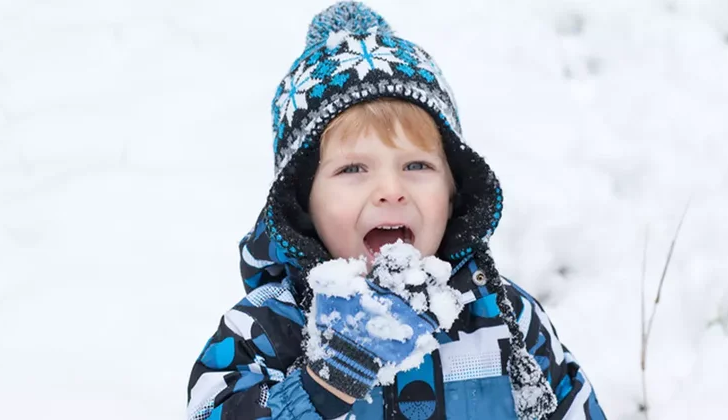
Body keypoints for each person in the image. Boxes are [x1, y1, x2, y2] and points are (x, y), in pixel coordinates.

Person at [186, 2, 605, 419]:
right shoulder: (266, 330)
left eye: (416, 166)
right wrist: (320, 387)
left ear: (454, 189)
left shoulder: (504, 319)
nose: (391, 190)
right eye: (353, 168)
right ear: (303, 200)